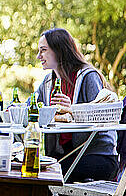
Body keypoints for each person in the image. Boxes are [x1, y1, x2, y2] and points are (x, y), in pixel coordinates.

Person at [36, 27, 118, 182]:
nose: (39, 56)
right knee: (33, 169)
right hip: (65, 156)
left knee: (49, 174)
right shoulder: (48, 83)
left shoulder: (88, 76)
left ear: (59, 51)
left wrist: (73, 110)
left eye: (43, 50)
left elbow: (102, 115)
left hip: (98, 156)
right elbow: (31, 106)